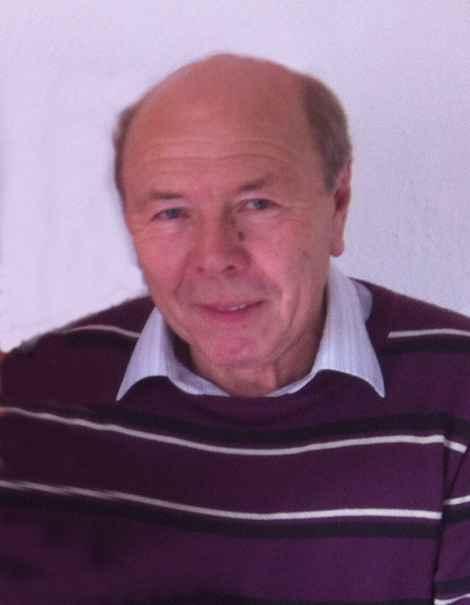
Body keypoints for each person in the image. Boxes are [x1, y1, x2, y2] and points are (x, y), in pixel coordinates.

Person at [1, 53, 470, 604]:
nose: (215, 257)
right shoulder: (29, 406)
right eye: (171, 212)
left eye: (257, 204)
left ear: (338, 205)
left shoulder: (458, 393)